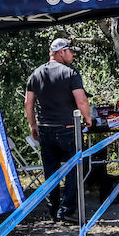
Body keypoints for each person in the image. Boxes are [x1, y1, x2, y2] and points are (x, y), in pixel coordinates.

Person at [25, 37, 92, 223]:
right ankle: (68, 209)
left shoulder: (36, 74)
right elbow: (81, 100)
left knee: (50, 171)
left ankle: (53, 209)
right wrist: (88, 119)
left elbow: (28, 103)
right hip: (68, 128)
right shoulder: (70, 73)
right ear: (61, 52)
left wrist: (33, 125)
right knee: (75, 168)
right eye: (70, 51)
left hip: (45, 130)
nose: (72, 54)